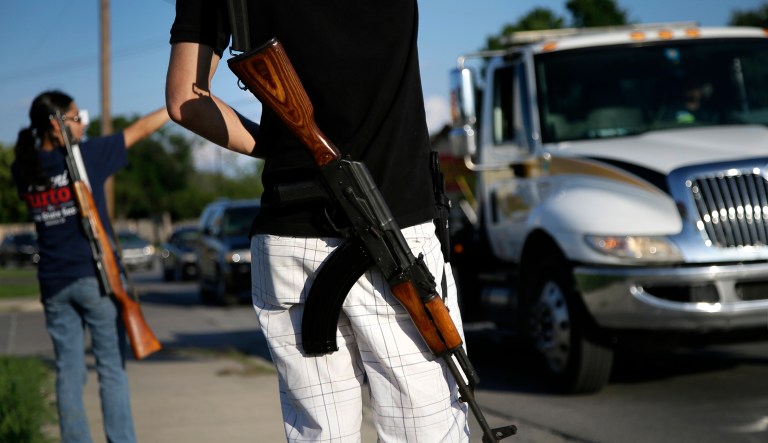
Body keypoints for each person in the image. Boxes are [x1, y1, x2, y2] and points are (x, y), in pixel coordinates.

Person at [166, 1, 470, 441]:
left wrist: (291, 148)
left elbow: (184, 101)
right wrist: (317, 146)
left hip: (290, 241)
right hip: (399, 230)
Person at [11, 90, 169, 443]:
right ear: (56, 125)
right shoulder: (87, 157)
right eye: (76, 116)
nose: (83, 122)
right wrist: (181, 104)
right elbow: (141, 128)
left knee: (68, 372)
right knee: (112, 370)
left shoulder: (23, 168)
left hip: (52, 283)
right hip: (94, 278)